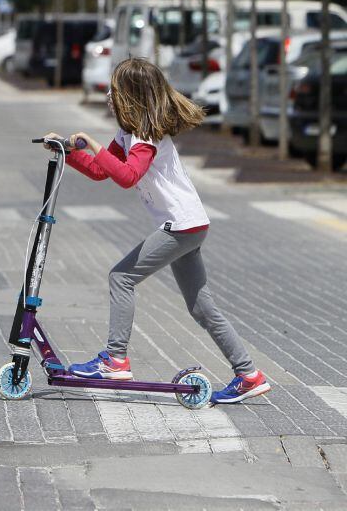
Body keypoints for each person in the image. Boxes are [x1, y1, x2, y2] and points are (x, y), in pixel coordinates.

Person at [42, 58, 270, 405]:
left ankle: (115, 360)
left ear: (129, 95)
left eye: (113, 90)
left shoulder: (146, 136)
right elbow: (103, 171)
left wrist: (93, 143)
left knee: (121, 278)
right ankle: (249, 375)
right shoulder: (130, 133)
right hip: (189, 224)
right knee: (202, 308)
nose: (108, 95)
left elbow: (128, 176)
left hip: (180, 226)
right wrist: (68, 150)